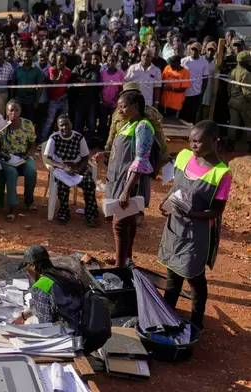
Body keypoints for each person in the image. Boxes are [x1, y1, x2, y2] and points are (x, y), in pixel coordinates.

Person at [158, 121, 231, 331]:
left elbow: (217, 210)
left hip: (196, 232)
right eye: (191, 140)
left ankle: (197, 320)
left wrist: (194, 214)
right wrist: (166, 201)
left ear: (214, 141)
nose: (193, 145)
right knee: (173, 271)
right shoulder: (183, 157)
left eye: (198, 141)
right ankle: (167, 313)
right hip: (176, 226)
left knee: (193, 275)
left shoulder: (221, 174)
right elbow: (177, 186)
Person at [105, 91, 154, 267]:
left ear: (135, 107)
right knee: (128, 222)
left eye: (123, 106)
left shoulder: (143, 127)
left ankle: (120, 267)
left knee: (119, 224)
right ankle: (126, 258)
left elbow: (141, 159)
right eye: (118, 107)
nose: (120, 111)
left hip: (131, 183)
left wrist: (126, 190)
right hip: (119, 180)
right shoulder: (127, 125)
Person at [44, 114, 99, 226]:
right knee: (63, 185)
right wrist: (62, 167)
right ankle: (64, 212)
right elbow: (46, 158)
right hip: (61, 168)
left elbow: (85, 158)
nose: (64, 127)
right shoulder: (54, 138)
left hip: (77, 167)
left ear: (71, 124)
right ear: (58, 127)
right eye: (61, 125)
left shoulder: (79, 137)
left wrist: (78, 169)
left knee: (89, 183)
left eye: (67, 124)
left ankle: (91, 214)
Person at [0, 101, 38, 222]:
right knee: (11, 173)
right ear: (6, 111)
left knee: (31, 171)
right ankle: (12, 207)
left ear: (20, 111)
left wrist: (27, 156)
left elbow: (33, 144)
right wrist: (5, 155)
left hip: (23, 156)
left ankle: (29, 200)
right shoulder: (2, 125)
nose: (14, 113)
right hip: (6, 158)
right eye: (11, 110)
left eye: (16, 110)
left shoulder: (28, 124)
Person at [71, 51, 100, 144]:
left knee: (91, 124)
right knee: (78, 123)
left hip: (90, 101)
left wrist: (81, 79)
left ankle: (88, 142)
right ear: (81, 59)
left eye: (88, 59)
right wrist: (86, 81)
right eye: (84, 59)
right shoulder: (77, 68)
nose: (86, 61)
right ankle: (77, 142)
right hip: (78, 100)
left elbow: (94, 81)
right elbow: (73, 77)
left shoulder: (94, 69)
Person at [42, 52, 71, 142]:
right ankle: (43, 139)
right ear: (56, 61)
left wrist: (66, 93)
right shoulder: (52, 70)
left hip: (63, 100)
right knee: (49, 121)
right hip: (53, 100)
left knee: (64, 121)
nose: (61, 63)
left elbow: (67, 85)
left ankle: (62, 138)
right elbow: (53, 83)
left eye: (63, 61)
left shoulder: (69, 71)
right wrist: (60, 75)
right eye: (59, 61)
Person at [227, 50, 251, 152]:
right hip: (244, 103)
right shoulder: (246, 73)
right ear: (245, 61)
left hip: (233, 101)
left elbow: (228, 88)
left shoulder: (232, 71)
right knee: (249, 125)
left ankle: (230, 145)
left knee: (233, 124)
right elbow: (247, 92)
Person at [12, 48, 44, 124]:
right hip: (18, 100)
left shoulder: (37, 70)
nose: (27, 58)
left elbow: (40, 87)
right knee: (18, 120)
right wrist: (12, 98)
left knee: (29, 122)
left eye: (29, 57)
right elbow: (13, 84)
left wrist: (36, 101)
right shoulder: (17, 69)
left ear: (32, 57)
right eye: (25, 57)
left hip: (31, 101)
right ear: (21, 57)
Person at [180, 43, 209, 124]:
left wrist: (202, 94)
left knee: (192, 118)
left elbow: (205, 80)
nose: (193, 51)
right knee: (182, 117)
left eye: (196, 50)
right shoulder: (183, 61)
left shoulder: (204, 62)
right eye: (192, 49)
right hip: (184, 93)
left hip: (196, 94)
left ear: (199, 51)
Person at [98, 54, 124, 145]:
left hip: (114, 103)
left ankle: (112, 141)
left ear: (116, 62)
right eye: (109, 60)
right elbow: (99, 88)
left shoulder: (120, 74)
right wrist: (102, 101)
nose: (111, 62)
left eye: (113, 60)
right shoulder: (102, 73)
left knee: (113, 123)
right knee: (103, 122)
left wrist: (113, 100)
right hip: (103, 103)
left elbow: (120, 89)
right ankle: (102, 141)